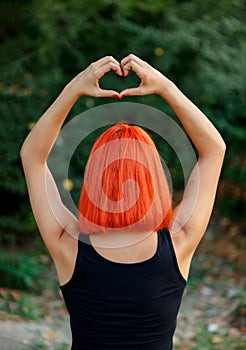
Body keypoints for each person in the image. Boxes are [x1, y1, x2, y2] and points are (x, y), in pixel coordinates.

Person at [20, 54, 226, 349]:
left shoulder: (67, 242)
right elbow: (214, 149)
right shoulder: (179, 242)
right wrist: (166, 87)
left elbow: (32, 157)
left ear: (94, 181)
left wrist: (74, 88)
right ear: (154, 179)